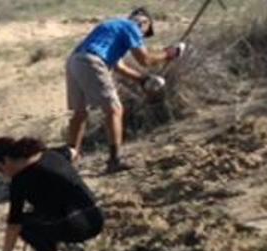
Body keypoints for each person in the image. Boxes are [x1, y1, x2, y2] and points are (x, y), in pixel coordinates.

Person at [64, 7, 185, 173]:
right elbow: (145, 60)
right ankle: (114, 160)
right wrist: (169, 54)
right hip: (92, 61)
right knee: (114, 110)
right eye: (145, 33)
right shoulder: (131, 26)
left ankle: (70, 159)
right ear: (144, 22)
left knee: (80, 114)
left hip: (74, 61)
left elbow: (118, 66)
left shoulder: (113, 27)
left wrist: (143, 80)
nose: (142, 37)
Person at [0, 137, 104, 251]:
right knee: (46, 215)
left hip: (76, 227)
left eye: (0, 169)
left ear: (6, 160)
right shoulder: (51, 154)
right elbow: (73, 152)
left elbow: (14, 224)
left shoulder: (20, 181)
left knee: (25, 223)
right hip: (97, 218)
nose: (3, 175)